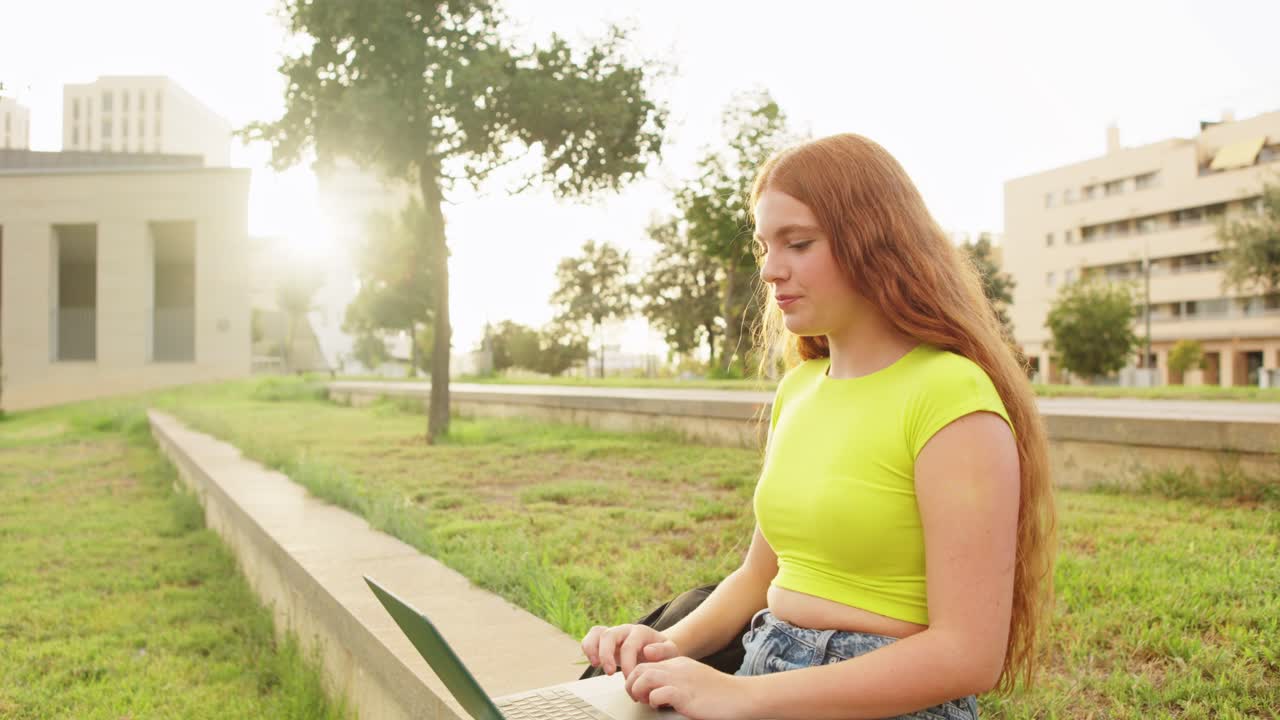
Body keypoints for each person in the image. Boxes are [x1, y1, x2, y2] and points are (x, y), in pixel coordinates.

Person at [581, 133, 1056, 720]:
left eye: (798, 243)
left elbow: (967, 655)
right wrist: (664, 648)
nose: (772, 270)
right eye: (763, 247)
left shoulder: (950, 394)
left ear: (874, 241)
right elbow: (760, 575)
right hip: (764, 665)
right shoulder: (799, 388)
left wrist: (744, 697)